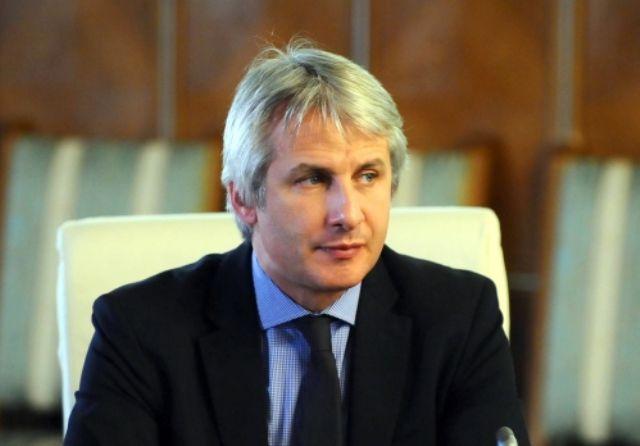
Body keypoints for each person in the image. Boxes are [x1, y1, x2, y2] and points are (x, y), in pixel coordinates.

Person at [64, 41, 530, 445]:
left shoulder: (457, 320)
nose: (348, 214)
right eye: (313, 179)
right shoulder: (141, 331)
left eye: (368, 175)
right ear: (244, 198)